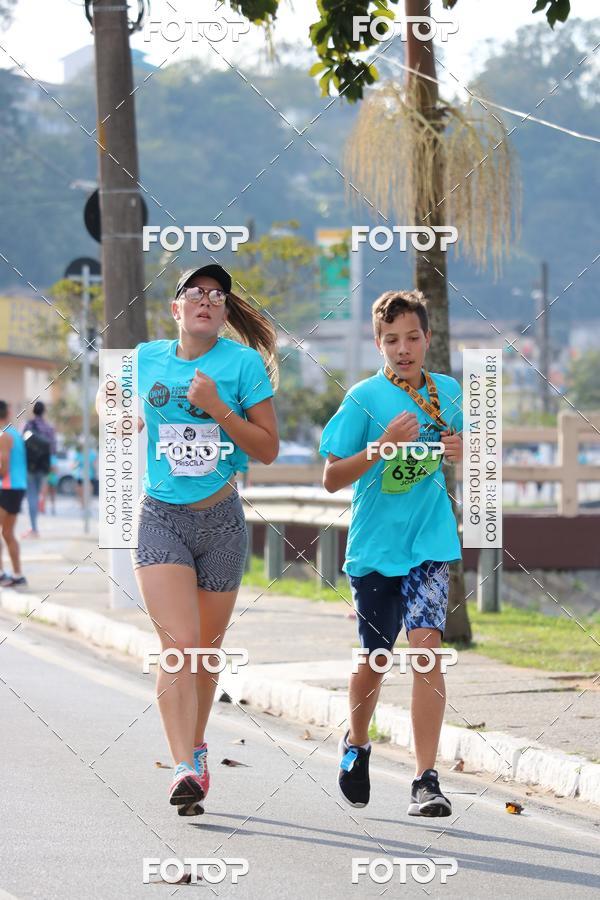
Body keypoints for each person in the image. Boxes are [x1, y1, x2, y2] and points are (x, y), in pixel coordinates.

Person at [96, 263, 279, 816]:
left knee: (204, 652)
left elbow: (268, 449)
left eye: (216, 296)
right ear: (176, 310)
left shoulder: (243, 365)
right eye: (195, 294)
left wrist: (219, 408)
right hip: (162, 518)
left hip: (220, 519)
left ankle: (197, 750)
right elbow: (108, 399)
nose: (206, 301)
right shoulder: (146, 358)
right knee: (177, 648)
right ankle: (181, 766)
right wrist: (117, 414)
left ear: (224, 313)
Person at [319, 290, 463, 817]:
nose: (403, 349)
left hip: (429, 544)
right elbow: (332, 477)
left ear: (428, 339)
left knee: (427, 651)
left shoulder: (447, 393)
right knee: (376, 660)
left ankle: (426, 779)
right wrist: (380, 445)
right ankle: (356, 743)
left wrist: (464, 451)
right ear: (378, 343)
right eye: (391, 340)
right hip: (377, 549)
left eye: (412, 338)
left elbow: (474, 454)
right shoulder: (363, 398)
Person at [0, 400, 28, 587]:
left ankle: (4, 574)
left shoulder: (3, 436)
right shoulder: (14, 433)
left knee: (7, 533)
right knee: (8, 532)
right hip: (17, 487)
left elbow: (3, 468)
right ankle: (17, 575)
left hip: (8, 488)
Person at [22, 400, 56, 538]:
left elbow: (21, 444)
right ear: (44, 411)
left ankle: (34, 528)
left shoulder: (28, 425)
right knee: (37, 495)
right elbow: (53, 448)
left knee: (31, 495)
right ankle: (34, 528)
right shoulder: (49, 427)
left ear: (33, 411)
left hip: (29, 466)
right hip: (43, 466)